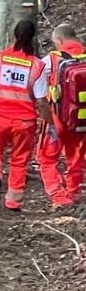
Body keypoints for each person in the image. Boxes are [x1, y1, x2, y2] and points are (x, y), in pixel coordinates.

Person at [0, 18, 51, 211]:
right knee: (20, 160)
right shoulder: (37, 66)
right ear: (33, 38)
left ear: (13, 36)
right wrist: (50, 122)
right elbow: (42, 100)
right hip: (24, 122)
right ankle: (13, 201)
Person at [37, 22, 86, 208]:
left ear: (59, 40)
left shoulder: (53, 59)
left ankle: (59, 198)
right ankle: (73, 193)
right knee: (77, 158)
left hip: (57, 119)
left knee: (46, 159)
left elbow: (35, 82)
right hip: (81, 118)